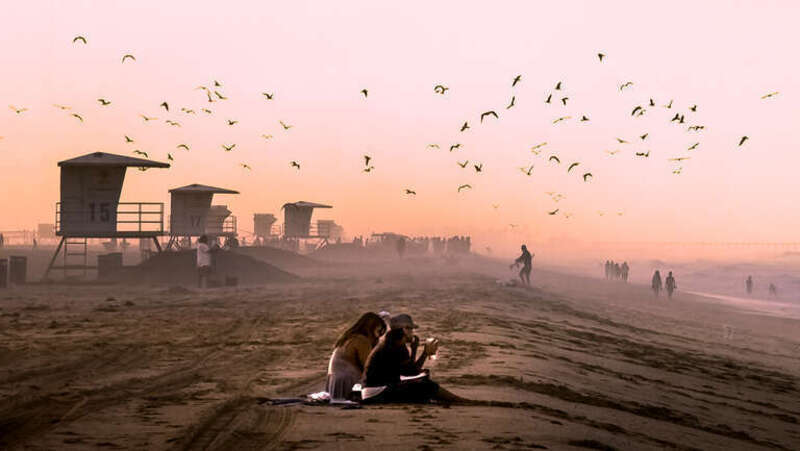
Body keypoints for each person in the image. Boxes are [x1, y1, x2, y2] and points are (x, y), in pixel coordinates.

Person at [362, 314, 464, 404]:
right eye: (411, 329)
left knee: (422, 383)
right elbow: (411, 372)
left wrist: (416, 351)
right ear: (404, 329)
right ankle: (457, 400)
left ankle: (451, 399)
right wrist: (423, 353)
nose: (413, 332)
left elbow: (410, 370)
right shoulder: (396, 345)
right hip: (377, 393)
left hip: (375, 392)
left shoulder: (391, 343)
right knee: (427, 386)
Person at [326, 312, 387, 401]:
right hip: (347, 380)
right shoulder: (362, 340)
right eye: (378, 331)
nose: (378, 336)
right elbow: (368, 367)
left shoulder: (350, 337)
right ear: (371, 328)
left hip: (336, 379)